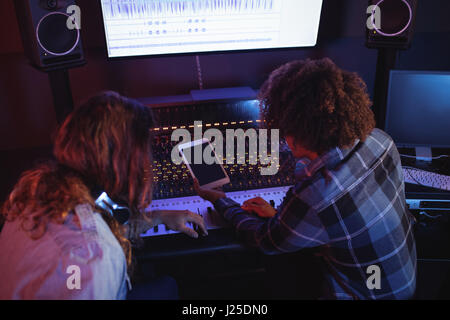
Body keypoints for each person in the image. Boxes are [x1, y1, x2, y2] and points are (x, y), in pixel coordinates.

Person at [194, 58, 417, 300]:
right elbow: (352, 219)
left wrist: (220, 200)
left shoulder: (317, 193)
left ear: (295, 132)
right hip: (401, 280)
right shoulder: (381, 141)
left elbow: (266, 241)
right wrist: (283, 218)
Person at [0, 91, 207, 300]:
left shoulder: (34, 192)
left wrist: (159, 217)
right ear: (124, 164)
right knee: (167, 287)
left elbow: (102, 226)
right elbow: (91, 243)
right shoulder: (95, 259)